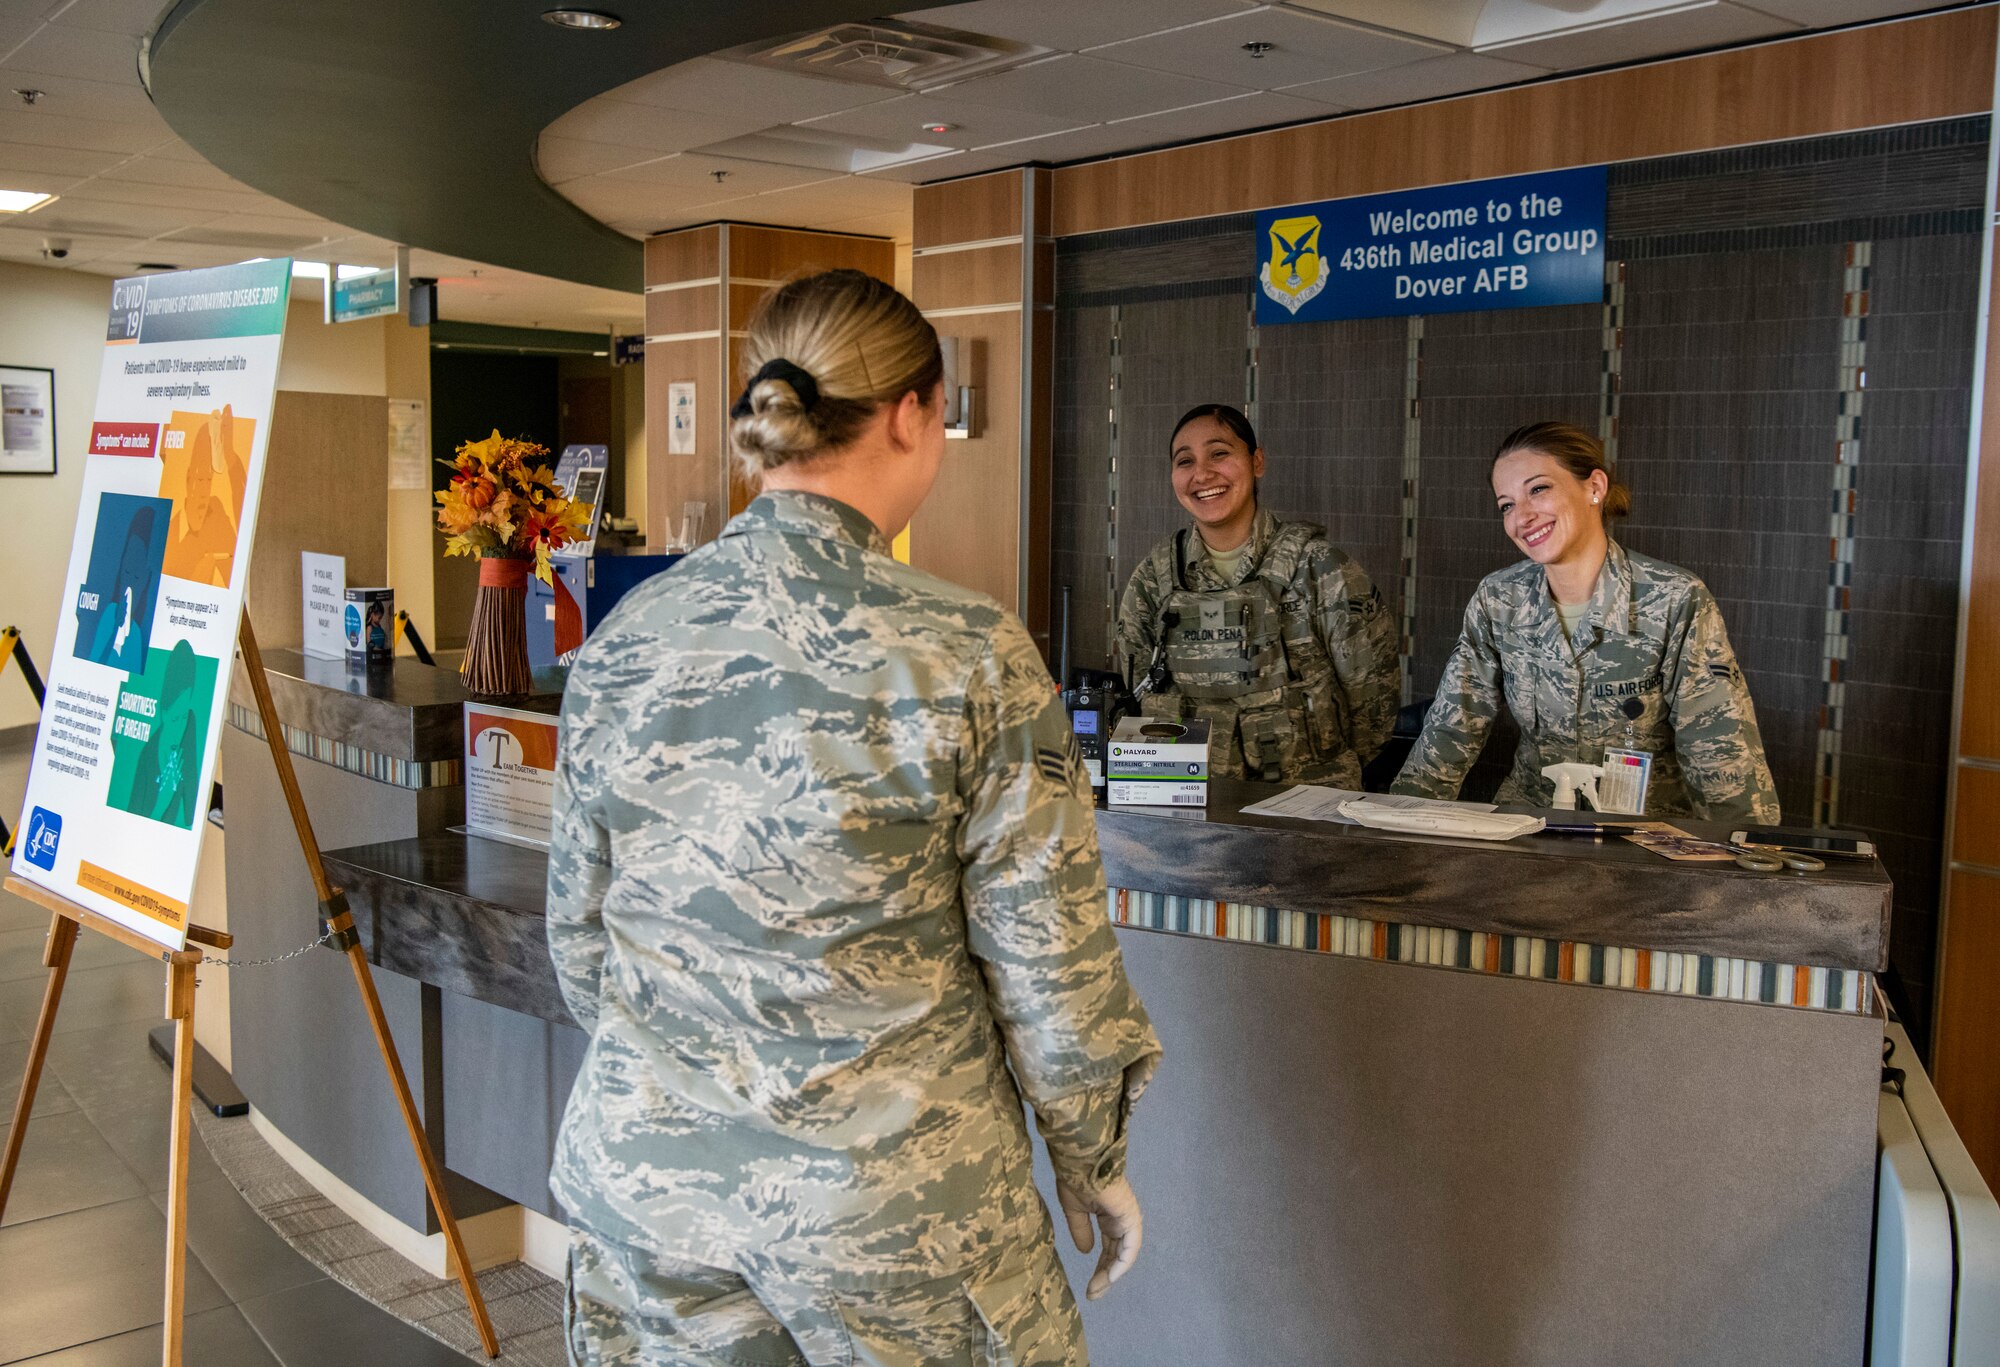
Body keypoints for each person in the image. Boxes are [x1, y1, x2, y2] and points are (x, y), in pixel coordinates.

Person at [547, 268, 1162, 1367]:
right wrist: (1090, 1154)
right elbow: (1050, 968)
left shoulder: (627, 636)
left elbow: (580, 932)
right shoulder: (966, 650)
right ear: (913, 413)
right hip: (894, 1221)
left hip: (652, 1202)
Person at [1393, 421, 1780, 822]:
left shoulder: (1674, 598)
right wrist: (1400, 820)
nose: (1521, 516)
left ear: (1594, 487)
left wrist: (1745, 858)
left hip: (1640, 837)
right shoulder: (1498, 599)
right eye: (1506, 505)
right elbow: (1452, 726)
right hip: (1528, 824)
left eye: (1538, 489)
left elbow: (1719, 748)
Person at [1112, 403, 1399, 789]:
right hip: (1185, 808)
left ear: (1257, 461)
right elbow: (1136, 688)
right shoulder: (1155, 577)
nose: (1202, 473)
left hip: (1305, 808)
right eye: (1185, 461)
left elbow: (1374, 707)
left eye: (1220, 453)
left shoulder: (1320, 567)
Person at [163, 405, 246, 587]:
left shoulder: (216, 517)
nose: (204, 493)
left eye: (208, 481)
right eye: (200, 480)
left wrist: (230, 457)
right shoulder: (168, 531)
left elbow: (247, 531)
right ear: (188, 479)